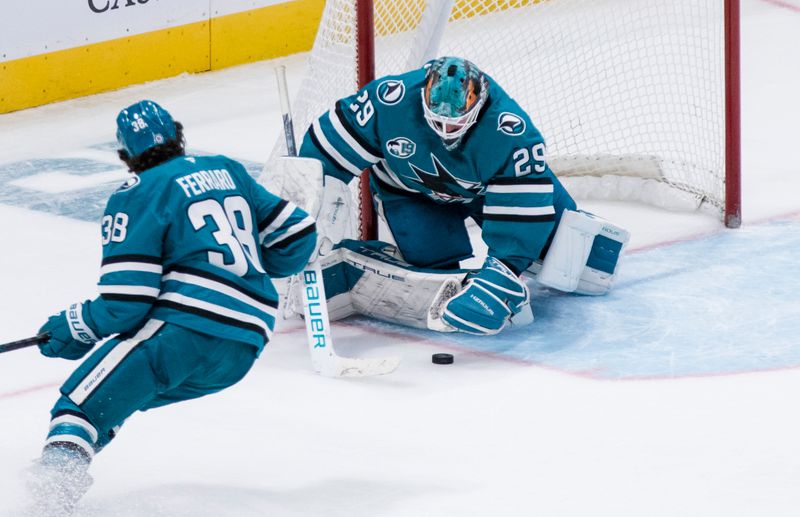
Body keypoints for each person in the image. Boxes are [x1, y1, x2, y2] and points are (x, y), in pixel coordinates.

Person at [28, 100, 316, 515]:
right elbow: (297, 231)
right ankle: (59, 478)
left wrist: (75, 326)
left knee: (78, 409)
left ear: (125, 155)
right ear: (179, 135)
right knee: (114, 402)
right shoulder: (225, 168)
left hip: (184, 332)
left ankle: (44, 501)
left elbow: (127, 303)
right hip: (244, 348)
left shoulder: (138, 194)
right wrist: (265, 266)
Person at [287, 56, 628, 335]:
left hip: (485, 192)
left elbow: (523, 209)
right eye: (438, 123)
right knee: (434, 267)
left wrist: (505, 272)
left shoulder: (509, 129)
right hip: (411, 194)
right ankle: (367, 256)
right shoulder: (389, 100)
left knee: (586, 266)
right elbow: (326, 151)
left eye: (455, 125)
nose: (446, 132)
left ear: (479, 105)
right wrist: (311, 207)